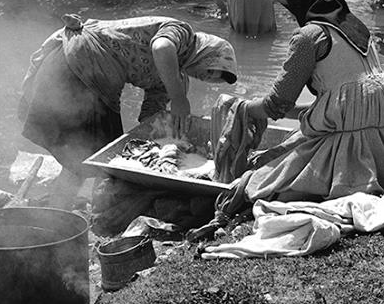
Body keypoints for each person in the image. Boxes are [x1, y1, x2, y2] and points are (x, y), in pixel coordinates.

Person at [236, 0, 384, 204]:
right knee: (282, 152)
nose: (290, 15)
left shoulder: (309, 38)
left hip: (348, 144)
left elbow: (277, 103)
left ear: (301, 3)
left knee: (261, 182)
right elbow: (341, 97)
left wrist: (242, 109)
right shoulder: (358, 27)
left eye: (290, 8)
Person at [18, 14, 237, 206]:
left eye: (210, 79)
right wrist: (179, 99)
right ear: (207, 53)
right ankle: (82, 215)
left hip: (85, 75)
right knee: (99, 160)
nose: (205, 78)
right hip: (79, 65)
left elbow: (149, 117)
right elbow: (161, 47)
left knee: (86, 156)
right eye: (210, 70)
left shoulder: (174, 77)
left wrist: (168, 147)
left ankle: (65, 213)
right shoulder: (182, 34)